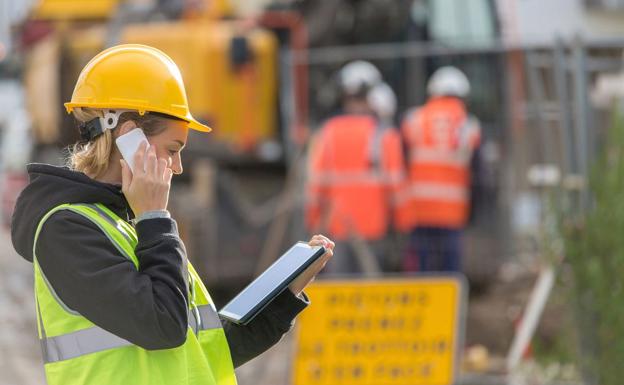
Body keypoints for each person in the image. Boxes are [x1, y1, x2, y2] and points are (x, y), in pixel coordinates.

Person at [10, 44, 334, 385]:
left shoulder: (132, 225)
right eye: (172, 150)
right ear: (128, 136)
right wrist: (154, 218)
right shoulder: (65, 230)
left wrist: (284, 296)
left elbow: (205, 350)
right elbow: (165, 326)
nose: (177, 167)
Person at [305, 61, 404, 273]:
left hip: (337, 230)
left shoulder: (327, 133)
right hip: (374, 229)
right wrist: (403, 229)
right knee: (371, 293)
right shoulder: (385, 135)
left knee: (340, 293)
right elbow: (396, 189)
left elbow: (316, 188)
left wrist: (314, 223)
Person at [399, 66, 481, 272]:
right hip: (452, 212)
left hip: (418, 209)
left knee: (422, 271)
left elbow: (400, 162)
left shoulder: (413, 120)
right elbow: (478, 174)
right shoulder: (469, 126)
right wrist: (475, 211)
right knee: (449, 272)